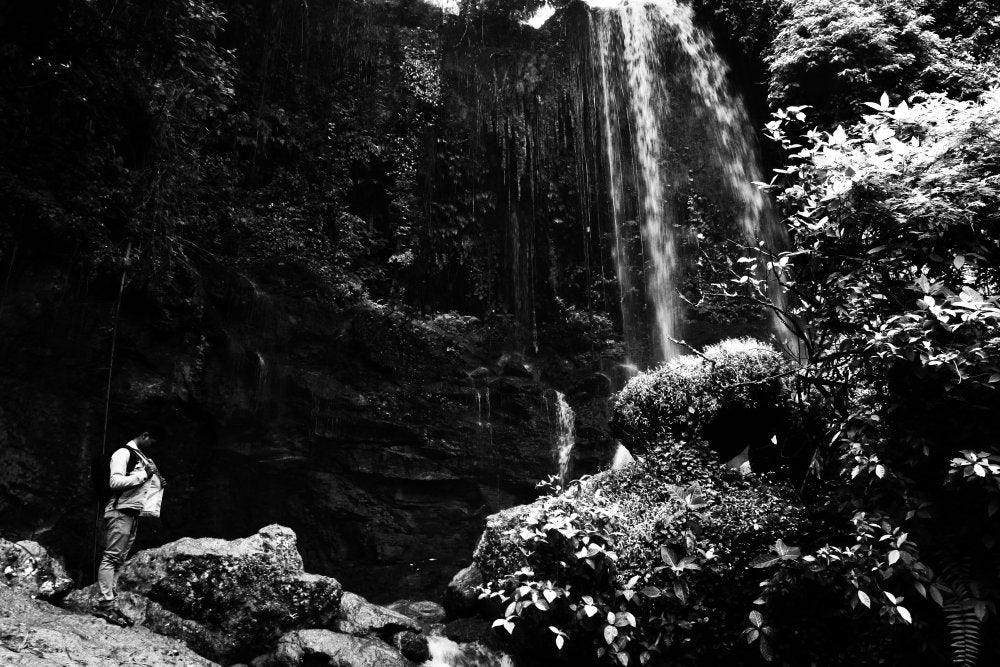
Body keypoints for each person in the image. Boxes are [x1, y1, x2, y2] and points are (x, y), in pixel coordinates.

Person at [93, 431, 163, 626]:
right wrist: (144, 475)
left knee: (119, 559)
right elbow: (114, 482)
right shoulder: (124, 453)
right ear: (145, 435)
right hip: (119, 512)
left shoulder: (142, 457)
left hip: (132, 515)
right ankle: (105, 605)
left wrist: (156, 482)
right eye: (153, 440)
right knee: (111, 557)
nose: (154, 445)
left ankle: (110, 603)